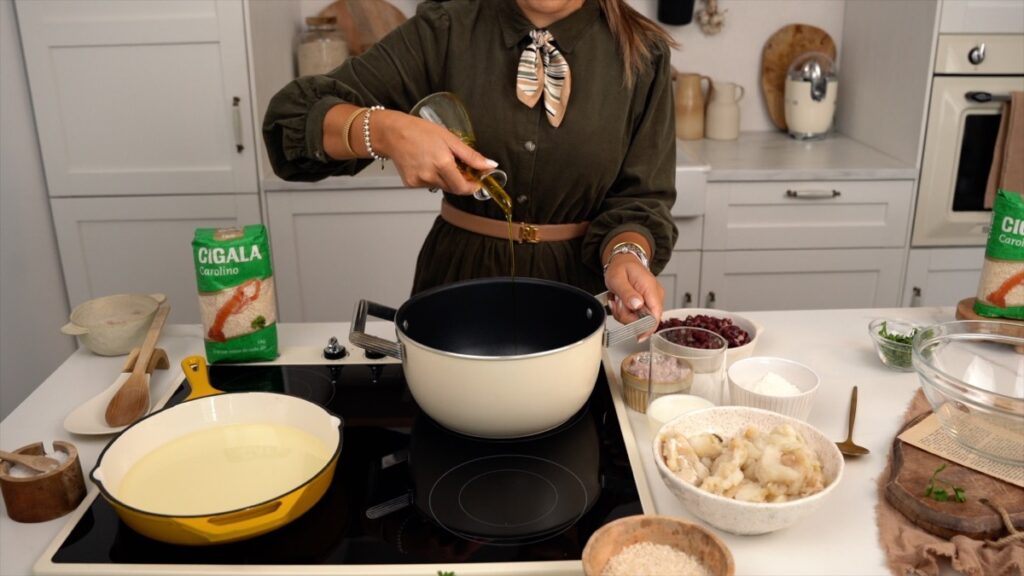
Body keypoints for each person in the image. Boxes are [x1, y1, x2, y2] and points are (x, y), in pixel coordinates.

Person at [263, 0, 678, 330]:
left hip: (582, 300)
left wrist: (625, 255)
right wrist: (385, 129)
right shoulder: (445, 29)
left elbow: (641, 199)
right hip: (457, 286)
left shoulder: (644, 54)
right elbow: (291, 122)